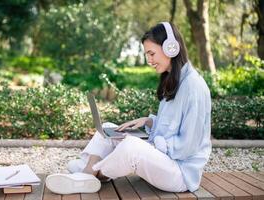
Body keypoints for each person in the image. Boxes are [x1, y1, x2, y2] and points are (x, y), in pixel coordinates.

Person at [45, 21, 212, 194]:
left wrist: (151, 145)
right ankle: (89, 172)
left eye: (151, 53)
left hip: (180, 173)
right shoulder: (174, 80)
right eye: (147, 55)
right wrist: (148, 122)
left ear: (171, 48)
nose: (149, 60)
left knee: (132, 147)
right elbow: (171, 126)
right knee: (109, 129)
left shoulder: (193, 87)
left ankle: (89, 173)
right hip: (166, 161)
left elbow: (188, 147)